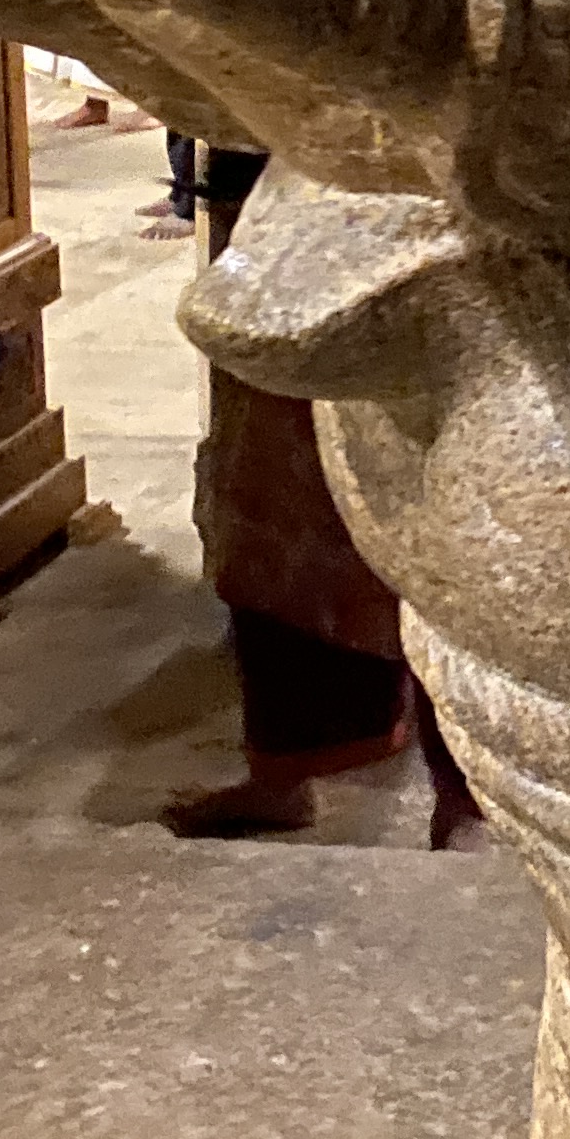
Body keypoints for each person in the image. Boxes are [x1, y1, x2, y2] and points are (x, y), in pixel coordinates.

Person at [170, 148, 486, 848]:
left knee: (446, 520)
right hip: (286, 208)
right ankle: (282, 771)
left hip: (433, 203)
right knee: (273, 523)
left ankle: (466, 800)